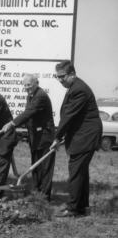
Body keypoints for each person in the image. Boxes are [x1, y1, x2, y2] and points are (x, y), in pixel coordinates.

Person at [50, 60, 102, 217]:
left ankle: (72, 209)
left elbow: (69, 116)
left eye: (63, 77)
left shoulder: (79, 90)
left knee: (76, 172)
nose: (60, 80)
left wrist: (56, 137)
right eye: (57, 77)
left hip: (85, 137)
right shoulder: (74, 87)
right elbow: (73, 116)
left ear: (72, 74)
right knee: (81, 172)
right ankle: (81, 207)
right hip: (83, 135)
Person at [3, 73, 56, 201]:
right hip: (35, 137)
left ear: (36, 83)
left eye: (29, 85)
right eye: (25, 85)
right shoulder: (31, 95)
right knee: (36, 167)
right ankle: (36, 192)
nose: (27, 87)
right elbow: (31, 117)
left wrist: (12, 123)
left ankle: (44, 197)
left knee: (45, 168)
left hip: (45, 137)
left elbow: (29, 112)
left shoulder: (40, 96)